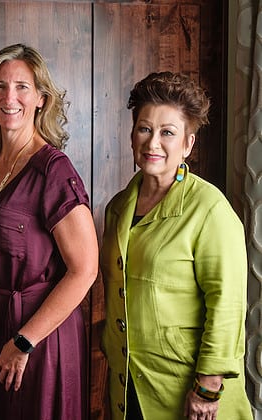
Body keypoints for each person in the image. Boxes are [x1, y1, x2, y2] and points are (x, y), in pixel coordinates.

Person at [101, 71, 252, 419]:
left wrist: (207, 386)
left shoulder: (209, 208)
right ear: (131, 134)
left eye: (167, 132)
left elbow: (227, 305)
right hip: (131, 384)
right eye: (144, 128)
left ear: (187, 144)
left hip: (189, 391)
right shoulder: (118, 207)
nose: (153, 143)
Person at [0, 43, 99, 419]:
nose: (10, 97)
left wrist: (24, 341)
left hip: (40, 338)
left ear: (41, 98)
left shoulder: (53, 170)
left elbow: (85, 270)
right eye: (0, 86)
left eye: (22, 87)